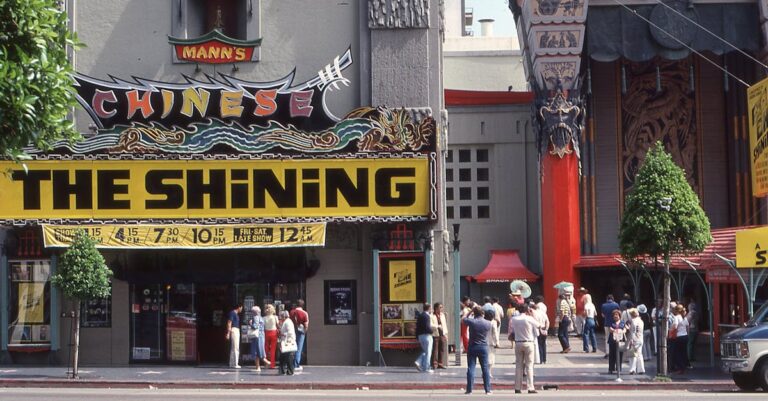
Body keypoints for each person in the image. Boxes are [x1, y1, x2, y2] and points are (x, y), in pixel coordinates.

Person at [510, 303, 541, 394]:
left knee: (518, 366)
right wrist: (532, 314)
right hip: (529, 342)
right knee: (529, 366)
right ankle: (530, 387)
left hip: (518, 342)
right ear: (527, 310)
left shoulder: (514, 319)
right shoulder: (529, 318)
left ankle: (517, 387)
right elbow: (539, 325)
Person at [462, 305, 493, 395]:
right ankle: (487, 389)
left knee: (471, 368)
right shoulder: (488, 323)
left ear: (474, 313)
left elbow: (463, 319)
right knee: (485, 368)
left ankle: (469, 389)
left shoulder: (472, 322)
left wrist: (470, 311)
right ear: (482, 313)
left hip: (472, 346)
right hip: (483, 347)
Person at [248, 306, 270, 371]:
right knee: (257, 351)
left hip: (257, 337)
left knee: (257, 351)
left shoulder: (256, 317)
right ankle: (258, 367)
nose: (252, 313)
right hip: (261, 335)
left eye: (252, 312)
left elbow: (255, 326)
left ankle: (267, 362)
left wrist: (250, 323)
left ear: (255, 312)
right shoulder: (261, 318)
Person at [289, 299, 309, 371]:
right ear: (303, 305)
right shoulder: (304, 313)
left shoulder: (291, 312)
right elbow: (306, 325)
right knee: (299, 348)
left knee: (292, 348)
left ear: (296, 304)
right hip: (301, 332)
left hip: (292, 331)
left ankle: (290, 363)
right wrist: (305, 331)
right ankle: (296, 365)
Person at [670, 304, 689, 374]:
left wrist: (670, 330)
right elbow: (687, 327)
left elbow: (675, 326)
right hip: (685, 336)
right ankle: (684, 366)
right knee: (683, 352)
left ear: (676, 310)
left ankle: (681, 367)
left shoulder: (677, 317)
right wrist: (687, 334)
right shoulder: (684, 317)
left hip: (679, 337)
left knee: (677, 353)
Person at [414, 303, 433, 373]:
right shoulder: (427, 316)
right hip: (427, 336)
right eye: (431, 308)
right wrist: (431, 331)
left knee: (426, 351)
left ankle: (419, 362)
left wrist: (417, 336)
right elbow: (427, 326)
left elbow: (417, 327)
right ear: (429, 308)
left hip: (420, 336)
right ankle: (426, 368)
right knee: (428, 352)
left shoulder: (420, 315)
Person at [277, 310, 297, 375]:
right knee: (283, 357)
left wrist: (284, 336)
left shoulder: (288, 322)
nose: (280, 318)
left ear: (284, 316)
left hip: (287, 342)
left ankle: (288, 371)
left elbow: (290, 332)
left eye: (281, 316)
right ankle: (283, 370)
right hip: (286, 341)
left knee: (288, 357)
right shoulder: (286, 321)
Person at [430, 302, 448, 369]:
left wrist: (446, 333)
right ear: (436, 308)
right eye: (440, 307)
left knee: (442, 349)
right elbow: (430, 325)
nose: (441, 309)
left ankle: (440, 363)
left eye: (441, 307)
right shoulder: (431, 315)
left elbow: (444, 325)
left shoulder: (442, 315)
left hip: (442, 334)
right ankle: (434, 364)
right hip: (435, 335)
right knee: (435, 350)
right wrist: (437, 326)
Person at [607, 309, 626, 374]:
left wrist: (621, 330)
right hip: (612, 340)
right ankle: (611, 368)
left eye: (617, 315)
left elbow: (624, 329)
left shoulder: (623, 323)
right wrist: (615, 330)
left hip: (620, 341)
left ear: (619, 316)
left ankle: (619, 368)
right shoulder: (611, 323)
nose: (615, 316)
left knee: (620, 355)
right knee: (612, 354)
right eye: (614, 315)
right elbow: (610, 329)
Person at [627, 308, 645, 375]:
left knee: (633, 355)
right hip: (640, 338)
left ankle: (632, 369)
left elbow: (633, 331)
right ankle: (641, 369)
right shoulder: (641, 321)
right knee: (639, 354)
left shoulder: (633, 321)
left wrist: (631, 339)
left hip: (634, 339)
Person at [531, 299, 549, 364]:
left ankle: (540, 359)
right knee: (543, 344)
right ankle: (544, 359)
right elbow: (547, 321)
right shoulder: (543, 313)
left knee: (539, 344)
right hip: (544, 329)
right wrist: (546, 329)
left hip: (538, 329)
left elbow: (534, 322)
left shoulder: (534, 313)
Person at [225, 303, 243, 369]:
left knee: (233, 347)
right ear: (239, 307)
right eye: (241, 308)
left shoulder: (235, 314)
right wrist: (228, 333)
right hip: (234, 329)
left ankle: (232, 363)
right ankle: (235, 363)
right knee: (236, 347)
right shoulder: (233, 313)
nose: (241, 309)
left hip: (235, 330)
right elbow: (229, 322)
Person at [483, 309, 499, 378]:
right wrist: (497, 342)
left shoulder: (483, 321)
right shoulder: (493, 322)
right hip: (491, 342)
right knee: (491, 358)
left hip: (483, 341)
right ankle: (488, 372)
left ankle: (484, 372)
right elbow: (495, 333)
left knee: (484, 358)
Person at [263, 304, 279, 369]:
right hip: (274, 333)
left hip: (266, 332)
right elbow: (278, 325)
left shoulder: (263, 318)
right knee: (273, 349)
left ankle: (266, 364)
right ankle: (272, 364)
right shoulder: (275, 317)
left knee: (266, 349)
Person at [686, 299, 698, 365]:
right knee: (693, 344)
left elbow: (688, 320)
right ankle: (692, 356)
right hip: (695, 329)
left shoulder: (691, 312)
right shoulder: (696, 312)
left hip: (691, 329)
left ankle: (689, 356)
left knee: (690, 343)